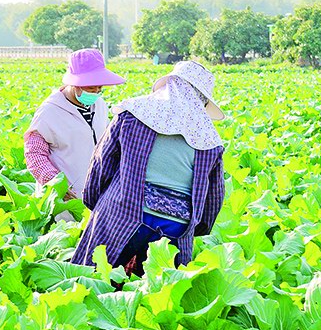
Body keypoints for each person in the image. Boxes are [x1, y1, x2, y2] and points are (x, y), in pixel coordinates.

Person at [70, 60, 226, 275]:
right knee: (157, 292)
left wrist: (97, 205)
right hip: (176, 225)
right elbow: (214, 198)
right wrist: (195, 229)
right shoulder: (210, 140)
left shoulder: (132, 114)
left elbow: (101, 164)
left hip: (123, 212)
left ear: (168, 86)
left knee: (97, 279)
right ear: (202, 100)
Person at [24, 48, 126, 202]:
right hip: (62, 199)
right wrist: (54, 182)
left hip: (94, 195)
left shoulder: (100, 106)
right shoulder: (49, 111)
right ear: (74, 84)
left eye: (100, 88)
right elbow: (34, 154)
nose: (96, 92)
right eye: (91, 88)